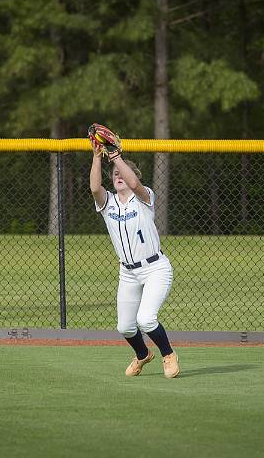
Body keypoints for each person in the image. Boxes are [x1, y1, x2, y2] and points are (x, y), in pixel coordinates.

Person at [89, 128, 179, 378]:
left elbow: (136, 183)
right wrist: (97, 156)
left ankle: (168, 354)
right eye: (115, 174)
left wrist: (117, 156)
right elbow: (95, 187)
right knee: (125, 327)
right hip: (127, 272)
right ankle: (142, 355)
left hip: (155, 268)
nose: (118, 176)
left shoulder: (144, 197)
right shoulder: (108, 204)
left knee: (146, 319)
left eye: (122, 173)